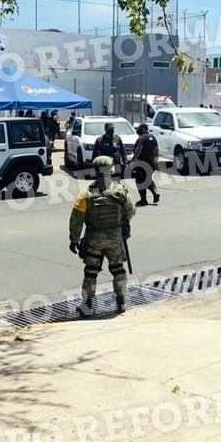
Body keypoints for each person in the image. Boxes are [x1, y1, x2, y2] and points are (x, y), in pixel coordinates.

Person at [69, 156, 136, 316]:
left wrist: (74, 239)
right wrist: (121, 223)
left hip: (94, 240)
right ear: (111, 170)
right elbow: (131, 210)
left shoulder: (86, 194)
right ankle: (121, 302)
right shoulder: (120, 191)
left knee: (91, 271)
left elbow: (76, 219)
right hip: (115, 238)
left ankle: (87, 306)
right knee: (118, 269)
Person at [130, 123, 160, 207]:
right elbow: (156, 150)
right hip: (151, 162)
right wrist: (156, 161)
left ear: (143, 129)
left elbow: (139, 149)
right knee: (147, 178)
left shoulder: (142, 138)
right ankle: (155, 192)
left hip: (142, 162)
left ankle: (144, 200)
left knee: (139, 180)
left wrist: (133, 159)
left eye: (139, 128)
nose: (138, 130)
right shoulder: (153, 137)